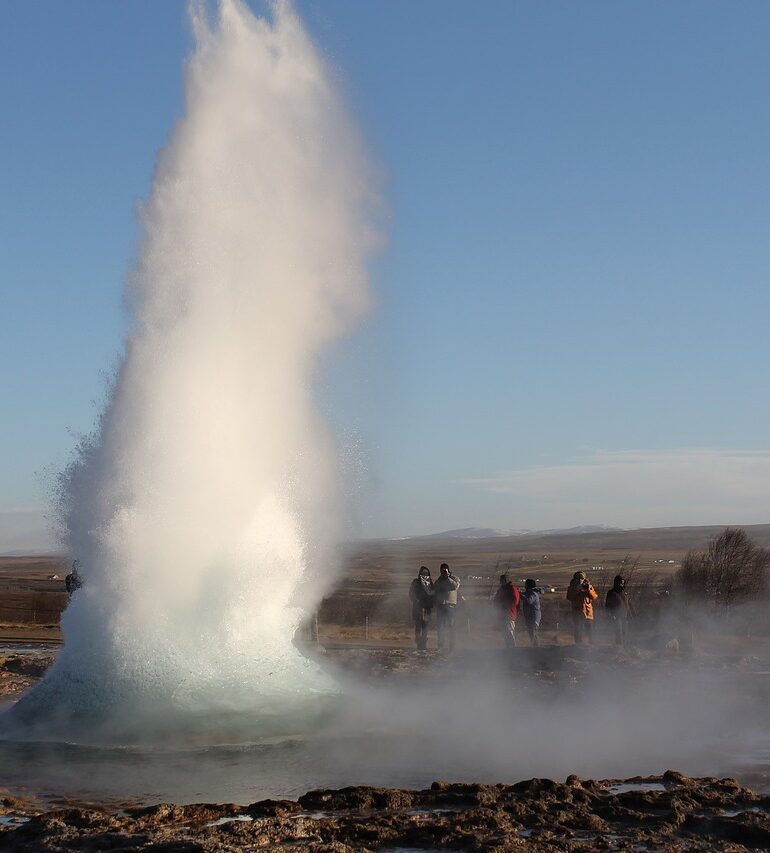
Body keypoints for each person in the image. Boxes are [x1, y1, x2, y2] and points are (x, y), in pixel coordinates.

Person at [433, 563, 460, 651]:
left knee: (451, 626)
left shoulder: (454, 578)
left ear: (448, 570)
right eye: (442, 570)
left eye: (445, 570)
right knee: (440, 627)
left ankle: (452, 646)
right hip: (441, 605)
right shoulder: (438, 581)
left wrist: (448, 577)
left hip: (451, 605)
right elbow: (435, 591)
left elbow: (455, 586)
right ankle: (440, 646)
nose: (443, 571)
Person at [566, 570, 597, 645]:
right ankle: (578, 644)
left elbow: (594, 596)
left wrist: (588, 589)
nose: (580, 580)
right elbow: (569, 597)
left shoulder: (588, 586)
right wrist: (577, 589)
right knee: (578, 629)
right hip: (578, 612)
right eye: (579, 579)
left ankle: (591, 644)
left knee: (590, 630)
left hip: (588, 612)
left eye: (582, 578)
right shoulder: (572, 587)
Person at [409, 566, 435, 650]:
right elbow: (411, 593)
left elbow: (433, 595)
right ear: (420, 573)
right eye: (423, 573)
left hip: (427, 608)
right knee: (418, 627)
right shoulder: (416, 582)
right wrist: (416, 600)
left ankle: (423, 644)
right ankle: (418, 643)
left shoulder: (430, 583)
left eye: (426, 573)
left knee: (425, 628)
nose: (425, 575)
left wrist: (432, 604)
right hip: (418, 608)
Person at [605, 575, 636, 646]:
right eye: (620, 583)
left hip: (625, 616)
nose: (621, 584)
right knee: (619, 632)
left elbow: (629, 604)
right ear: (616, 583)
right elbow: (608, 605)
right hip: (616, 616)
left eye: (622, 583)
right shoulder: (611, 593)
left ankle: (624, 647)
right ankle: (619, 648)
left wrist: (633, 613)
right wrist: (610, 614)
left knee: (625, 632)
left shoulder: (624, 593)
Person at [493, 573, 520, 648]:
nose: (501, 582)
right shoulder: (501, 590)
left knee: (510, 632)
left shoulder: (512, 589)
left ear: (506, 580)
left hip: (509, 614)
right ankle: (508, 647)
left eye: (502, 580)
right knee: (504, 632)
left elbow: (515, 601)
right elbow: (496, 599)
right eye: (500, 580)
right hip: (502, 615)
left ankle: (513, 648)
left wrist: (504, 604)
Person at [521, 578, 543, 647]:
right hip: (530, 616)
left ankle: (536, 648)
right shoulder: (530, 592)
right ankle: (535, 648)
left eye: (526, 585)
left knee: (533, 633)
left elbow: (529, 600)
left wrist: (521, 595)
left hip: (533, 617)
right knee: (531, 633)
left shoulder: (533, 593)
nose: (525, 586)